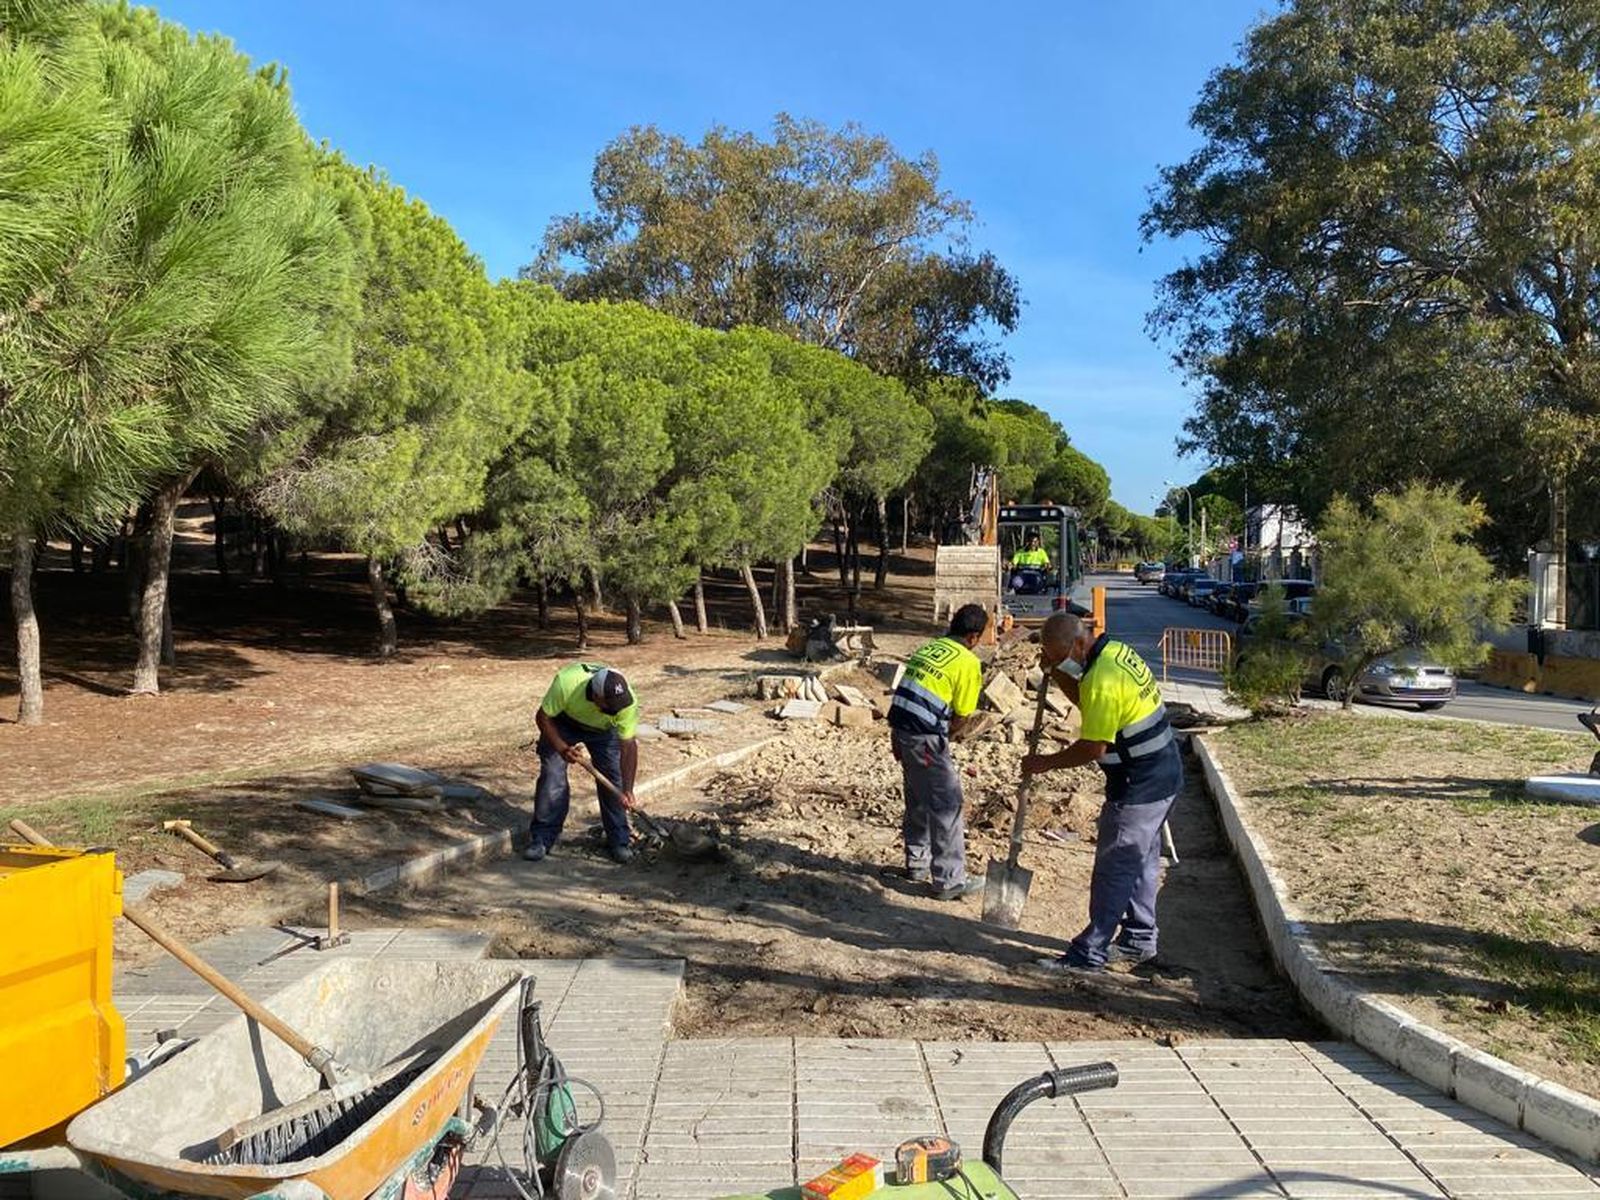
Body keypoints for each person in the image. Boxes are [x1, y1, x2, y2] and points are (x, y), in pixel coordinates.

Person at [1022, 612, 1183, 973]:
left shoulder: (1102, 678)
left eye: (1059, 654)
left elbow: (1093, 746)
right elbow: (1089, 704)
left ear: (1078, 643)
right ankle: (1139, 939)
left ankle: (1088, 954)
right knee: (1140, 861)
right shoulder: (1114, 652)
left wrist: (1044, 763)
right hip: (1163, 773)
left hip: (1141, 783)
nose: (1056, 658)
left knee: (1115, 867)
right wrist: (1058, 671)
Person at [888, 603, 990, 901]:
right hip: (925, 737)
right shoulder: (967, 662)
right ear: (973, 637)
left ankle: (917, 864)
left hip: (901, 729)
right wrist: (949, 736)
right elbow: (964, 713)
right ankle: (949, 881)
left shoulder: (930, 648)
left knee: (918, 796)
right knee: (947, 803)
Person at [524, 663, 640, 864]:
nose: (617, 710)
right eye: (610, 707)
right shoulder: (567, 682)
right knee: (553, 773)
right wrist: (562, 748)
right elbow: (543, 717)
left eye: (618, 707)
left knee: (612, 777)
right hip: (563, 722)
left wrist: (628, 789)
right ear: (596, 697)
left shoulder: (625, 701)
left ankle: (619, 840)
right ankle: (542, 838)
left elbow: (628, 746)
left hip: (603, 731)